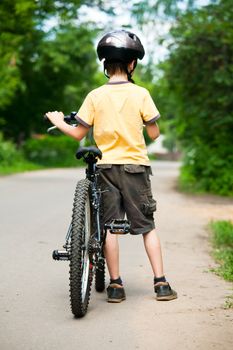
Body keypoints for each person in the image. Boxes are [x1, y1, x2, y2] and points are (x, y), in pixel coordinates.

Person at [46, 30, 177, 303]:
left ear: (105, 64)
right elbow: (154, 134)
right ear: (132, 64)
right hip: (135, 168)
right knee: (147, 226)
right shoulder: (141, 93)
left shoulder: (95, 96)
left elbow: (78, 133)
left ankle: (116, 286)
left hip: (105, 168)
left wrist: (59, 121)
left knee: (106, 227)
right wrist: (144, 124)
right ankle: (161, 284)